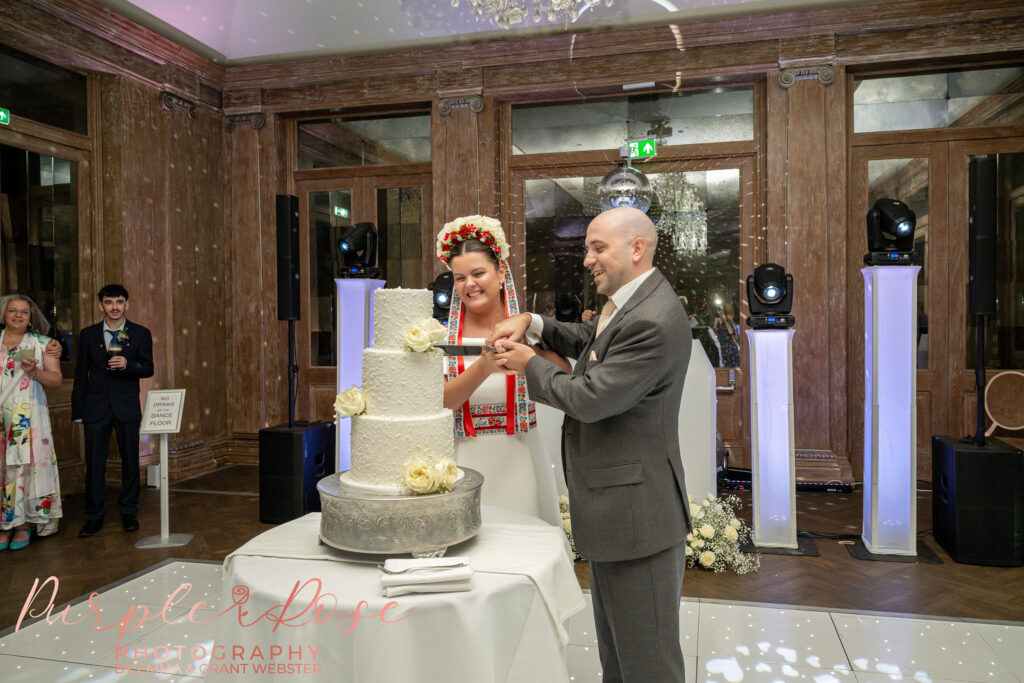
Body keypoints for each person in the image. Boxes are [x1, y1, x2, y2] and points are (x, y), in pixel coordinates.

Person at [491, 206, 692, 682]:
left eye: (597, 247)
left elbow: (591, 398)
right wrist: (533, 323)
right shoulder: (635, 302)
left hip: (637, 516)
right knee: (618, 654)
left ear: (636, 248)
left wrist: (527, 363)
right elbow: (591, 340)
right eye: (588, 248)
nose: (587, 259)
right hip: (617, 509)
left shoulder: (654, 320)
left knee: (647, 660)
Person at [437, 215, 567, 526]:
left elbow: (565, 377)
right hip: (464, 460)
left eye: (479, 273)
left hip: (519, 456)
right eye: (459, 277)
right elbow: (442, 402)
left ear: (501, 271)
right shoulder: (443, 339)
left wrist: (528, 354)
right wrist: (484, 365)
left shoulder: (529, 330)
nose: (470, 284)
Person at [71, 284, 154, 537]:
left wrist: (129, 364)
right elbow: (80, 376)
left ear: (127, 304)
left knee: (131, 462)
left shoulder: (140, 333)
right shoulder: (88, 335)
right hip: (95, 409)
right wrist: (78, 410)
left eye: (119, 302)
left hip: (127, 407)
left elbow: (148, 369)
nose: (114, 307)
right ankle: (93, 516)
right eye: (109, 302)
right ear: (101, 305)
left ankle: (129, 512)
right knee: (95, 464)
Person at [0, 294, 64, 549]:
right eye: (12, 311)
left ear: (31, 317)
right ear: (4, 314)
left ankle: (23, 525)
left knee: (28, 468)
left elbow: (56, 380)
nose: (18, 315)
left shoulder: (44, 343)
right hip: (2, 417)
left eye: (24, 312)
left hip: (30, 418)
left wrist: (34, 372)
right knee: (3, 469)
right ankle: (5, 524)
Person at [711, 300, 740, 367]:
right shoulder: (716, 320)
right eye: (719, 310)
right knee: (724, 364)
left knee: (733, 364)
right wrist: (718, 320)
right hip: (721, 344)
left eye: (722, 310)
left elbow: (731, 331)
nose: (720, 312)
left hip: (730, 345)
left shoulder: (728, 319)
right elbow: (715, 330)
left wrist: (725, 320)